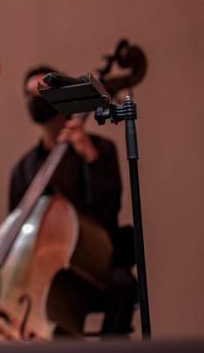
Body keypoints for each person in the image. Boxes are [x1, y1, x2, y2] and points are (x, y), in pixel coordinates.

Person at [9, 65, 135, 335]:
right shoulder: (23, 169)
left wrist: (90, 159)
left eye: (42, 91)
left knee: (123, 286)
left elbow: (108, 209)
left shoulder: (100, 149)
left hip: (96, 262)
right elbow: (16, 229)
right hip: (42, 267)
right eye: (29, 94)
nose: (35, 98)